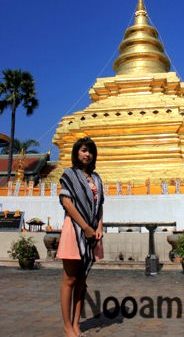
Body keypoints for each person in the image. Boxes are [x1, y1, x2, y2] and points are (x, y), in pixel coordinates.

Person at [57, 137, 104, 337]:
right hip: (74, 231)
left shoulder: (97, 178)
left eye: (90, 151)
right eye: (84, 150)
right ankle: (67, 326)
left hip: (91, 232)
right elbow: (67, 202)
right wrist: (84, 226)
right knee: (70, 278)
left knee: (81, 281)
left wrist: (99, 227)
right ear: (77, 152)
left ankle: (76, 324)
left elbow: (99, 205)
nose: (87, 154)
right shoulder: (69, 174)